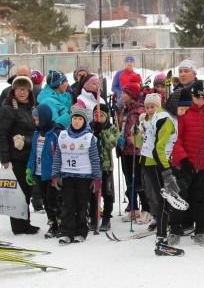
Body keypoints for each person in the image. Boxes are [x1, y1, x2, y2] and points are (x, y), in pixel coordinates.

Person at [169, 80, 204, 246]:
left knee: (200, 198)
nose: (199, 101)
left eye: (203, 97)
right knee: (180, 197)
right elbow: (175, 139)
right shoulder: (183, 112)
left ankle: (201, 230)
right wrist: (183, 159)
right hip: (184, 164)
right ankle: (175, 229)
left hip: (203, 165)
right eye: (196, 97)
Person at [0, 75, 39, 234]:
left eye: (25, 89)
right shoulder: (8, 108)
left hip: (30, 156)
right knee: (18, 193)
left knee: (28, 191)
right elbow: (1, 135)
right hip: (16, 157)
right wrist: (5, 159)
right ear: (14, 90)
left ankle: (25, 222)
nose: (22, 92)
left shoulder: (31, 107)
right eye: (19, 89)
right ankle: (19, 225)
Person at [140, 92, 182, 255]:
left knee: (163, 199)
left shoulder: (161, 115)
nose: (185, 112)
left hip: (150, 161)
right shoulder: (167, 120)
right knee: (164, 200)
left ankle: (161, 237)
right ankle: (161, 241)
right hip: (154, 162)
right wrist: (167, 173)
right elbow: (159, 149)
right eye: (184, 108)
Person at [54, 106, 101, 244]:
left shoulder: (89, 137)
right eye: (74, 118)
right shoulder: (63, 136)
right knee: (68, 204)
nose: (76, 121)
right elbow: (58, 156)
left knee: (82, 204)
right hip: (68, 175)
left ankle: (81, 231)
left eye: (80, 119)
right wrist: (55, 174)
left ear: (84, 121)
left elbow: (94, 158)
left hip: (84, 177)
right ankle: (66, 232)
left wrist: (97, 177)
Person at [25, 104, 61, 238]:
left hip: (51, 174)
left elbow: (59, 154)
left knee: (53, 199)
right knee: (45, 200)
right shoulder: (36, 134)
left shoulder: (55, 135)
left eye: (37, 119)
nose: (35, 122)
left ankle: (60, 222)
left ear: (45, 118)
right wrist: (29, 169)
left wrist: (58, 173)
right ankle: (52, 224)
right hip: (39, 173)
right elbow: (33, 153)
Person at [119, 82, 149, 224]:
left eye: (125, 93)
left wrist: (135, 139)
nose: (122, 95)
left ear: (132, 95)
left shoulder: (139, 111)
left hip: (137, 151)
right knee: (129, 181)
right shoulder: (125, 109)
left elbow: (144, 130)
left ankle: (146, 209)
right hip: (125, 151)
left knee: (139, 181)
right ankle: (133, 208)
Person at [90, 103, 120, 232]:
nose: (98, 118)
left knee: (107, 193)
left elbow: (111, 144)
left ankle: (106, 218)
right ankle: (93, 217)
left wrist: (101, 132)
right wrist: (94, 132)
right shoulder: (90, 128)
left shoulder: (112, 128)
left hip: (106, 166)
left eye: (101, 116)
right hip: (92, 167)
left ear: (106, 116)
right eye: (95, 115)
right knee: (92, 193)